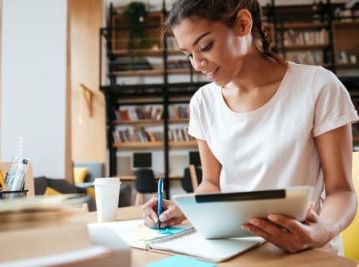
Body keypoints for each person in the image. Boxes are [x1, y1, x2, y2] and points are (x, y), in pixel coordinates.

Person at [142, 0, 358, 255]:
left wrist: (322, 231)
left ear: (243, 24)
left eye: (205, 46)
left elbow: (341, 191)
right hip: (236, 252)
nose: (197, 64)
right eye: (189, 54)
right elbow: (211, 183)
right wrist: (190, 208)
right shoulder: (203, 102)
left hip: (308, 253)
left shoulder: (318, 86)